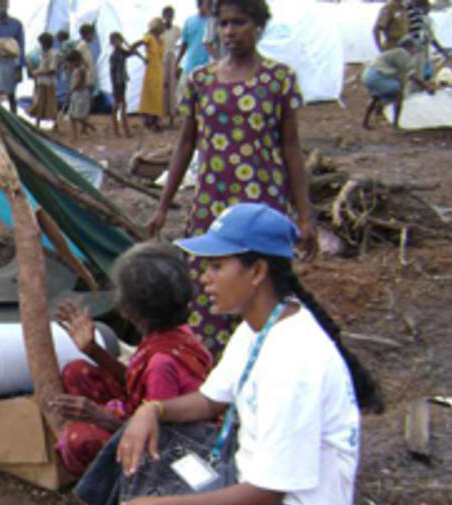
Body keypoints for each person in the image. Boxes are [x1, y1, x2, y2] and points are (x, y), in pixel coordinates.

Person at [117, 203, 382, 505]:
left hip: (286, 498)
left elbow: (267, 493)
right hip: (247, 475)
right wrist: (152, 410)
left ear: (256, 271)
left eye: (217, 266)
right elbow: (210, 401)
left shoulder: (295, 364)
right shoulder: (257, 328)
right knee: (136, 451)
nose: (205, 278)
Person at [147, 0, 317, 358]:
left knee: (263, 286)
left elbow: (291, 147)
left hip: (262, 207)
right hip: (212, 207)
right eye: (223, 24)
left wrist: (304, 215)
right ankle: (212, 375)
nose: (229, 32)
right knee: (209, 292)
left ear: (258, 26)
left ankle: (266, 366)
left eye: (238, 23)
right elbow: (186, 143)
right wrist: (163, 205)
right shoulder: (202, 80)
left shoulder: (279, 79)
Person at [50, 242, 214, 478]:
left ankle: (117, 482)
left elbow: (160, 438)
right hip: (148, 414)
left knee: (78, 440)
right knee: (75, 371)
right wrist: (93, 351)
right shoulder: (175, 334)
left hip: (169, 451)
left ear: (131, 310)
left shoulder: (161, 363)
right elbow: (137, 382)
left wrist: (99, 415)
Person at [363, 35, 436, 129]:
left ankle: (365, 122)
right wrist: (427, 87)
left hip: (369, 74)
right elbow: (411, 76)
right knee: (398, 94)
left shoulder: (395, 52)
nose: (414, 51)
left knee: (375, 97)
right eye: (414, 48)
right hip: (377, 76)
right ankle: (396, 124)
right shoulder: (403, 54)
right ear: (409, 47)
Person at [0, 0, 25, 114]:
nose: (0, 7)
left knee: (11, 94)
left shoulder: (16, 24)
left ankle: (14, 117)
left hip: (10, 62)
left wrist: (19, 68)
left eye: (3, 4)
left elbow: (21, 47)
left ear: (7, 5)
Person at [134, 18, 167, 132]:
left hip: (159, 69)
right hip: (151, 69)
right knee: (150, 94)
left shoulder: (161, 40)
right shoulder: (148, 37)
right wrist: (142, 58)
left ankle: (155, 120)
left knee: (157, 95)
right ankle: (149, 120)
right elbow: (134, 46)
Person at [109, 32, 145, 137]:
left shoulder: (121, 52)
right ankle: (118, 129)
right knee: (118, 105)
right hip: (117, 82)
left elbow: (132, 52)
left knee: (123, 104)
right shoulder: (114, 55)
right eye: (115, 41)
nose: (118, 43)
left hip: (122, 80)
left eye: (119, 40)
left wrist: (138, 45)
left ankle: (124, 129)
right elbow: (113, 72)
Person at [27, 32, 59, 130]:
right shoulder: (43, 53)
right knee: (40, 102)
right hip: (41, 81)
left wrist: (39, 72)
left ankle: (54, 123)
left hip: (49, 83)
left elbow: (52, 70)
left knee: (50, 103)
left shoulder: (53, 54)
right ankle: (38, 122)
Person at [177, 0, 213, 83]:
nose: (210, 6)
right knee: (183, 89)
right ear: (199, 4)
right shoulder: (189, 21)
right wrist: (177, 62)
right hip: (189, 67)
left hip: (208, 69)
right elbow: (184, 43)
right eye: (208, 3)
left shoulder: (214, 22)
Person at [161, 6, 183, 127]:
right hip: (162, 58)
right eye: (167, 15)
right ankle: (162, 117)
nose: (169, 18)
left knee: (172, 87)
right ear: (163, 16)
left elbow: (182, 42)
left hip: (172, 57)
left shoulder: (176, 30)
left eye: (171, 15)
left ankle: (172, 118)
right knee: (163, 87)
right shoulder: (160, 30)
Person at [65, 50, 94, 140]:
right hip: (76, 94)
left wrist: (71, 90)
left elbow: (78, 82)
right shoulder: (76, 69)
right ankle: (74, 136)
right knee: (72, 116)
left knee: (77, 116)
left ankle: (88, 125)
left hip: (81, 95)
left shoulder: (81, 70)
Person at [76, 24, 98, 95]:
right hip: (85, 80)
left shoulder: (87, 46)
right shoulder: (81, 47)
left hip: (90, 78)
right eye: (92, 34)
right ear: (88, 34)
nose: (93, 36)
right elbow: (81, 64)